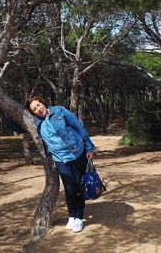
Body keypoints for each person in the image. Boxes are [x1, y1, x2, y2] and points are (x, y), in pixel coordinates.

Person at [25, 96, 96, 233]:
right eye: (34, 109)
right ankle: (71, 215)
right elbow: (46, 143)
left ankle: (79, 217)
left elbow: (78, 127)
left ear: (43, 103)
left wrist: (89, 146)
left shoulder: (59, 111)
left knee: (79, 185)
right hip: (60, 159)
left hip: (77, 152)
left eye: (38, 105)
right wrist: (52, 157)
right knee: (69, 187)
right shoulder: (38, 123)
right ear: (33, 113)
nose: (38, 109)